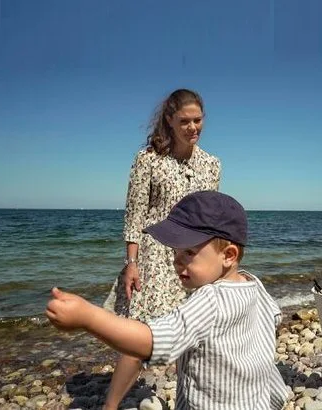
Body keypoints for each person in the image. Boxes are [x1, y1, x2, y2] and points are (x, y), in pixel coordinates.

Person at [47, 191, 288, 410]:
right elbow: (274, 318)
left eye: (189, 253)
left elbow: (152, 342)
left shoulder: (210, 300)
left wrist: (89, 317)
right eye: (175, 252)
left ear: (228, 255)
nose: (176, 261)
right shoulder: (252, 283)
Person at [102, 89, 221, 409]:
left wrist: (218, 264)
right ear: (169, 120)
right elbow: (135, 214)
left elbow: (211, 219)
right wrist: (131, 262)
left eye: (198, 121)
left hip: (195, 258)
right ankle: (110, 405)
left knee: (192, 334)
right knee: (139, 335)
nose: (193, 127)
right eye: (185, 121)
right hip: (155, 257)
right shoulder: (148, 160)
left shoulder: (212, 164)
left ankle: (189, 401)